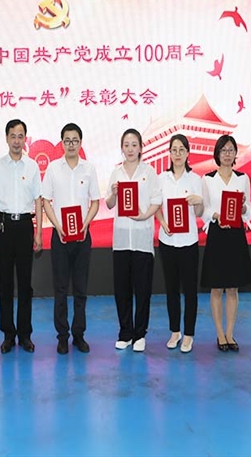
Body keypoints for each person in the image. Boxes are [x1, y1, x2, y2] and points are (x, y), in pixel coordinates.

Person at [43, 123, 100, 354]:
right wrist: (57, 227)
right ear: (62, 143)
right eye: (67, 140)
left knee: (80, 289)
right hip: (60, 237)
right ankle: (62, 336)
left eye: (75, 140)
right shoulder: (53, 169)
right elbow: (46, 201)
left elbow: (95, 201)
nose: (71, 144)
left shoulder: (89, 169)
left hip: (83, 236)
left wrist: (85, 224)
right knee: (60, 289)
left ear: (80, 142)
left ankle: (79, 335)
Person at [0, 119, 43, 354]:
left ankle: (25, 334)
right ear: (6, 138)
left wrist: (38, 232)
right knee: (6, 283)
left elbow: (38, 201)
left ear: (25, 139)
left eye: (21, 136)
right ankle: (8, 335)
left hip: (25, 226)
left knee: (25, 284)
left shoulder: (32, 167)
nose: (17, 141)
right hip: (3, 226)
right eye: (13, 136)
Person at [105, 129, 161, 353]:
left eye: (134, 145)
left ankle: (140, 334)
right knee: (122, 289)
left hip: (142, 239)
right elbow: (109, 204)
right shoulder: (116, 173)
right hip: (121, 240)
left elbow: (157, 199)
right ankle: (125, 333)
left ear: (140, 148)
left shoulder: (149, 172)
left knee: (143, 289)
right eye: (126, 145)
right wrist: (114, 193)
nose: (130, 149)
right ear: (122, 148)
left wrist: (145, 215)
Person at [200, 134, 251, 352]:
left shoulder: (242, 179)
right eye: (223, 150)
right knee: (216, 287)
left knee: (232, 287)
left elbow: (248, 210)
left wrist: (243, 207)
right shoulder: (208, 179)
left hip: (235, 235)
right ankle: (219, 334)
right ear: (217, 153)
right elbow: (204, 209)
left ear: (235, 154)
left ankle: (230, 333)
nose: (227, 154)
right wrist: (216, 216)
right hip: (217, 233)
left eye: (231, 150)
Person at [155, 134, 203, 353]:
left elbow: (199, 213)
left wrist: (199, 201)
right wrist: (163, 223)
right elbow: (156, 206)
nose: (177, 154)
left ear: (187, 153)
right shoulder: (161, 179)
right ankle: (174, 331)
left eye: (181, 150)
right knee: (171, 289)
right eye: (174, 150)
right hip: (167, 241)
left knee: (190, 290)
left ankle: (189, 334)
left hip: (189, 242)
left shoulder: (195, 179)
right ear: (169, 153)